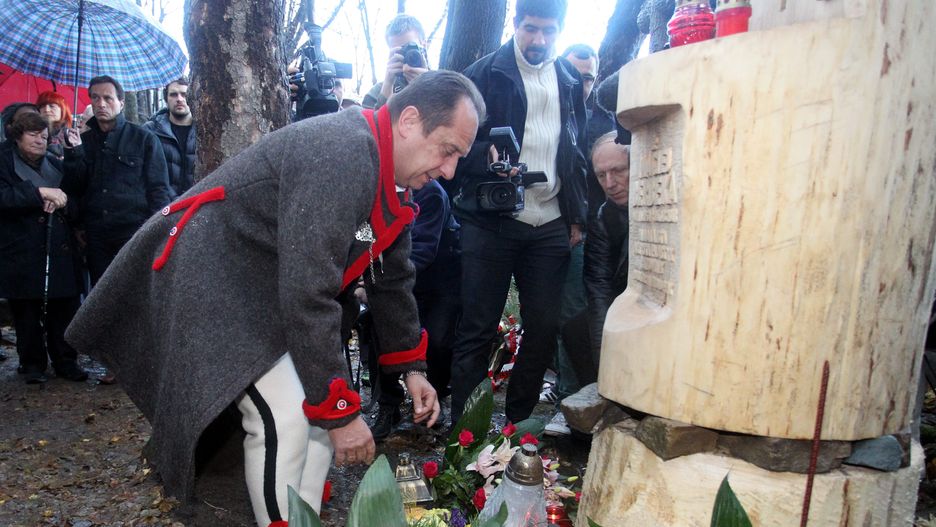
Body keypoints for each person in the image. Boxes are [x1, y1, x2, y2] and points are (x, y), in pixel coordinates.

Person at [64, 70, 485, 527]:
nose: (449, 171)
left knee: (314, 423)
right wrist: (340, 411)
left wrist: (411, 368)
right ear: (409, 121)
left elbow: (389, 274)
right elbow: (310, 291)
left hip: (263, 288)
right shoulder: (341, 152)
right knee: (284, 419)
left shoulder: (387, 172)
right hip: (213, 280)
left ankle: (303, 519)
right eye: (447, 150)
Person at [449, 0, 588, 425]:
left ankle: (519, 430)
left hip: (550, 220)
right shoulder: (483, 74)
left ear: (560, 29)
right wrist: (485, 157)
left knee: (543, 328)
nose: (538, 40)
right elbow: (452, 146)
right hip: (489, 221)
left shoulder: (568, 79)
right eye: (530, 28)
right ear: (515, 23)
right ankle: (466, 435)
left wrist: (577, 214)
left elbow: (576, 150)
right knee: (477, 328)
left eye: (549, 31)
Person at [0, 112, 87, 384]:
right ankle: (31, 363)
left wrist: (63, 202)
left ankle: (66, 360)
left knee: (63, 307)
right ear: (18, 136)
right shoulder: (4, 164)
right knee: (26, 310)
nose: (40, 141)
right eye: (33, 135)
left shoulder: (55, 163)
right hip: (22, 248)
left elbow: (76, 199)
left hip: (58, 246)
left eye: (44, 136)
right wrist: (38, 194)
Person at [371, 178, 461, 439]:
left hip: (438, 280)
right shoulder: (378, 189)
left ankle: (432, 400)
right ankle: (388, 405)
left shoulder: (431, 193)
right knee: (383, 335)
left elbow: (423, 248)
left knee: (438, 342)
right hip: (395, 279)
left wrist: (383, 279)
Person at [61, 75, 172, 287]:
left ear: (121, 103)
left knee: (136, 291)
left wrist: (156, 230)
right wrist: (73, 153)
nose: (101, 104)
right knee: (101, 293)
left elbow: (159, 189)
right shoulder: (83, 142)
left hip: (134, 231)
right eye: (95, 98)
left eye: (107, 98)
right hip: (96, 236)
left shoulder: (144, 139)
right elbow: (74, 188)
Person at [561, 131, 630, 388]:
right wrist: (604, 364)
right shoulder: (603, 217)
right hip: (622, 302)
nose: (609, 183)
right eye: (601, 175)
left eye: (618, 171)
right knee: (576, 329)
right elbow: (598, 289)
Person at [142, 77, 197, 197]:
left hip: (199, 201)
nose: (179, 99)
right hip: (162, 203)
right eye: (173, 94)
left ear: (192, 97)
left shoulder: (204, 129)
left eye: (184, 94)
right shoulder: (151, 130)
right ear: (166, 98)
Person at [362, 14, 430, 110]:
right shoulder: (377, 93)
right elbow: (367, 119)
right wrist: (388, 86)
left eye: (411, 47)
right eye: (400, 50)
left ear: (424, 45)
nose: (407, 54)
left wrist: (428, 86)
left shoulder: (444, 86)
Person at [35, 91, 73, 160]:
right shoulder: (33, 132)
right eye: (42, 106)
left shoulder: (73, 134)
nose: (47, 110)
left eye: (52, 106)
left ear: (62, 109)